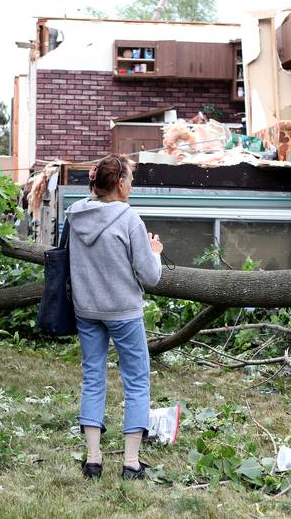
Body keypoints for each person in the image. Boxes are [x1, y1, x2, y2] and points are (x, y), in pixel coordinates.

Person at [65, 154, 163, 480]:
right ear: (119, 183)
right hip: (123, 311)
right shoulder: (130, 219)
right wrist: (155, 253)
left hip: (87, 309)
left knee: (93, 377)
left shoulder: (75, 215)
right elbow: (149, 276)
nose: (132, 186)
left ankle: (93, 460)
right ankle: (131, 463)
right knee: (136, 380)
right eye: (131, 180)